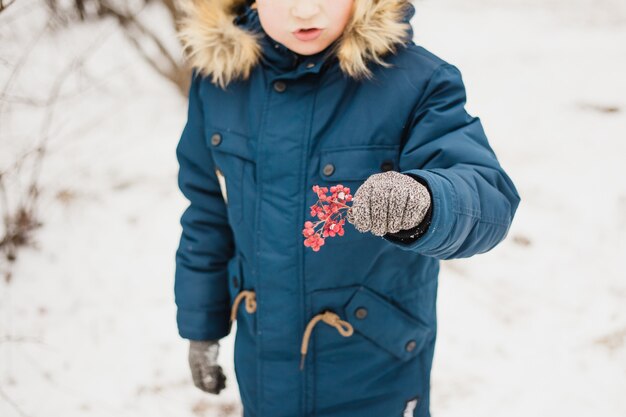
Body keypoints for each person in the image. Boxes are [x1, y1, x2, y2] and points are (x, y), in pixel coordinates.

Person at [174, 0, 520, 416]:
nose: (304, 12)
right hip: (263, 365)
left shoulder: (415, 83)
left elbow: (486, 192)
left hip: (376, 369)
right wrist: (202, 325)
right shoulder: (220, 83)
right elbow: (206, 216)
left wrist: (426, 202)